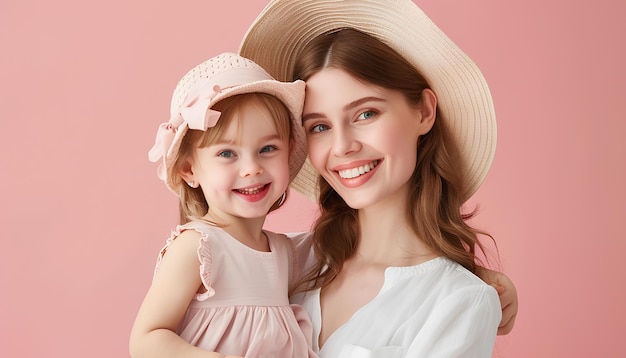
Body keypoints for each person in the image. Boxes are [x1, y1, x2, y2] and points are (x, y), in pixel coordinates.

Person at [239, 0, 516, 356]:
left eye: (366, 113)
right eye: (320, 126)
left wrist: (472, 285)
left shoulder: (459, 301)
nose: (342, 146)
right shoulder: (284, 261)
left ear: (424, 111)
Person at [129, 52, 317, 358]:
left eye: (268, 148)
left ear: (289, 151)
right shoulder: (198, 248)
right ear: (189, 169)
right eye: (227, 154)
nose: (251, 168)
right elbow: (146, 339)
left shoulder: (286, 254)